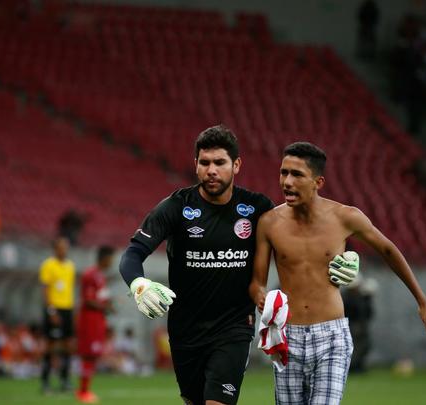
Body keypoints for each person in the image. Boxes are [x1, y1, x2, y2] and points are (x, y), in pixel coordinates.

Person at [118, 126, 358, 405]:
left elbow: (304, 237)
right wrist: (139, 284)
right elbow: (133, 253)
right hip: (186, 331)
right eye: (205, 163)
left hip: (234, 328)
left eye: (220, 163)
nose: (211, 170)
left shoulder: (257, 208)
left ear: (236, 165)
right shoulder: (175, 207)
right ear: (195, 165)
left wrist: (349, 257)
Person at [249, 142, 426, 405]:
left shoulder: (346, 217)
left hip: (331, 336)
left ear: (318, 182)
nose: (287, 182)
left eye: (297, 175)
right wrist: (261, 297)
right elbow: (257, 282)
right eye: (284, 173)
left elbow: (388, 250)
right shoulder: (269, 223)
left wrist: (422, 301)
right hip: (287, 336)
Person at [76, 245, 115, 404]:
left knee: (93, 355)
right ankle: (83, 391)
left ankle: (85, 390)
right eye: (111, 258)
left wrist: (109, 305)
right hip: (89, 319)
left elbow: (100, 298)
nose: (112, 262)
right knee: (88, 355)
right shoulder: (90, 275)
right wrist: (105, 306)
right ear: (104, 258)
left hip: (98, 319)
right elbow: (88, 300)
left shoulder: (101, 276)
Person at [39, 237, 75, 394]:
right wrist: (51, 311)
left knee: (68, 346)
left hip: (67, 309)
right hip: (54, 309)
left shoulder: (70, 266)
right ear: (55, 249)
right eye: (61, 247)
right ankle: (45, 382)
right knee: (51, 346)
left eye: (66, 247)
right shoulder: (48, 265)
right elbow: (45, 290)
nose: (64, 250)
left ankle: (64, 379)